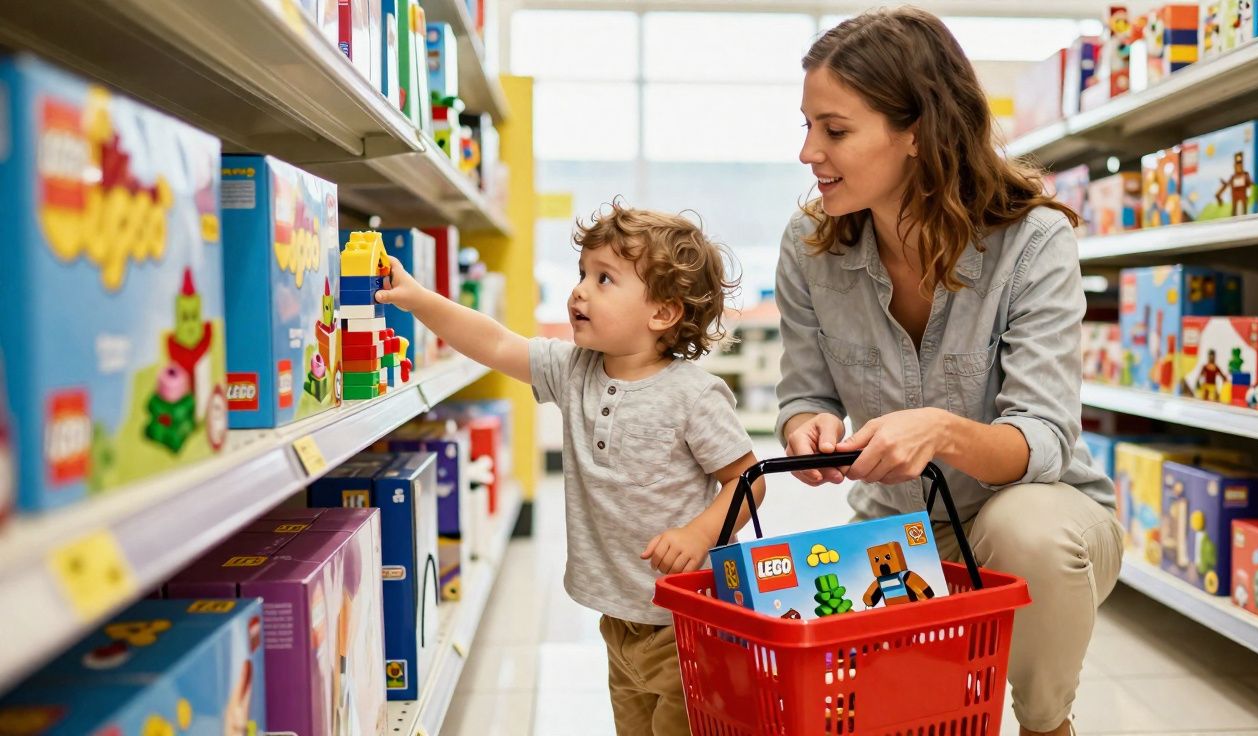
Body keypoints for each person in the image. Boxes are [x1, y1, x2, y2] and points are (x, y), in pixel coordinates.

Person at [777, 9, 1121, 736]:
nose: (809, 151)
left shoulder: (1032, 242)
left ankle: (1047, 725)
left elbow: (1042, 438)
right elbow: (805, 390)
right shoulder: (810, 248)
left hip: (1043, 521)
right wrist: (807, 424)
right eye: (807, 126)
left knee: (1024, 529)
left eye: (835, 130)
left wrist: (942, 432)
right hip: (898, 533)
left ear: (917, 131)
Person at [376, 202, 761, 736]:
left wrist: (700, 532)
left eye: (604, 279)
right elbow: (495, 342)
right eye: (582, 273)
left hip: (688, 620)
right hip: (619, 619)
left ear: (663, 313)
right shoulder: (573, 369)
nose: (579, 290)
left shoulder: (694, 395)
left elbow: (748, 481)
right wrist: (420, 300)